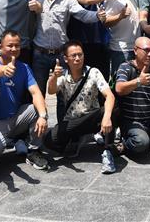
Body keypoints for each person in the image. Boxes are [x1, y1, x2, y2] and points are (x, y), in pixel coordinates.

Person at [31, 0, 105, 94]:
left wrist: (97, 15)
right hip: (39, 54)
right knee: (38, 93)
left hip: (61, 54)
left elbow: (83, 14)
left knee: (64, 93)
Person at [0, 31, 49, 170]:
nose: (14, 49)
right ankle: (15, 140)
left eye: (17, 45)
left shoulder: (24, 68)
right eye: (10, 45)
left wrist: (43, 116)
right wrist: (4, 70)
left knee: (37, 109)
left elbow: (36, 92)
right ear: (0, 47)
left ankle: (33, 150)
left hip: (15, 119)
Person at [45, 40, 117, 173]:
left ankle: (108, 151)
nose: (78, 58)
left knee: (112, 110)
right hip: (72, 121)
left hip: (92, 117)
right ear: (66, 59)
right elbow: (51, 90)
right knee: (49, 140)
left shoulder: (93, 72)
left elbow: (110, 96)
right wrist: (54, 77)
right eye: (73, 56)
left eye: (80, 54)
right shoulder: (62, 75)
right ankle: (76, 139)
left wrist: (107, 117)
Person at [64, 0, 122, 81]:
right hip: (79, 45)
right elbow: (86, 0)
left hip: (98, 43)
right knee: (80, 80)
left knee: (102, 80)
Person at [103, 0, 148, 74]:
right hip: (120, 50)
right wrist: (120, 16)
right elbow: (105, 22)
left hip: (135, 49)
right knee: (120, 81)